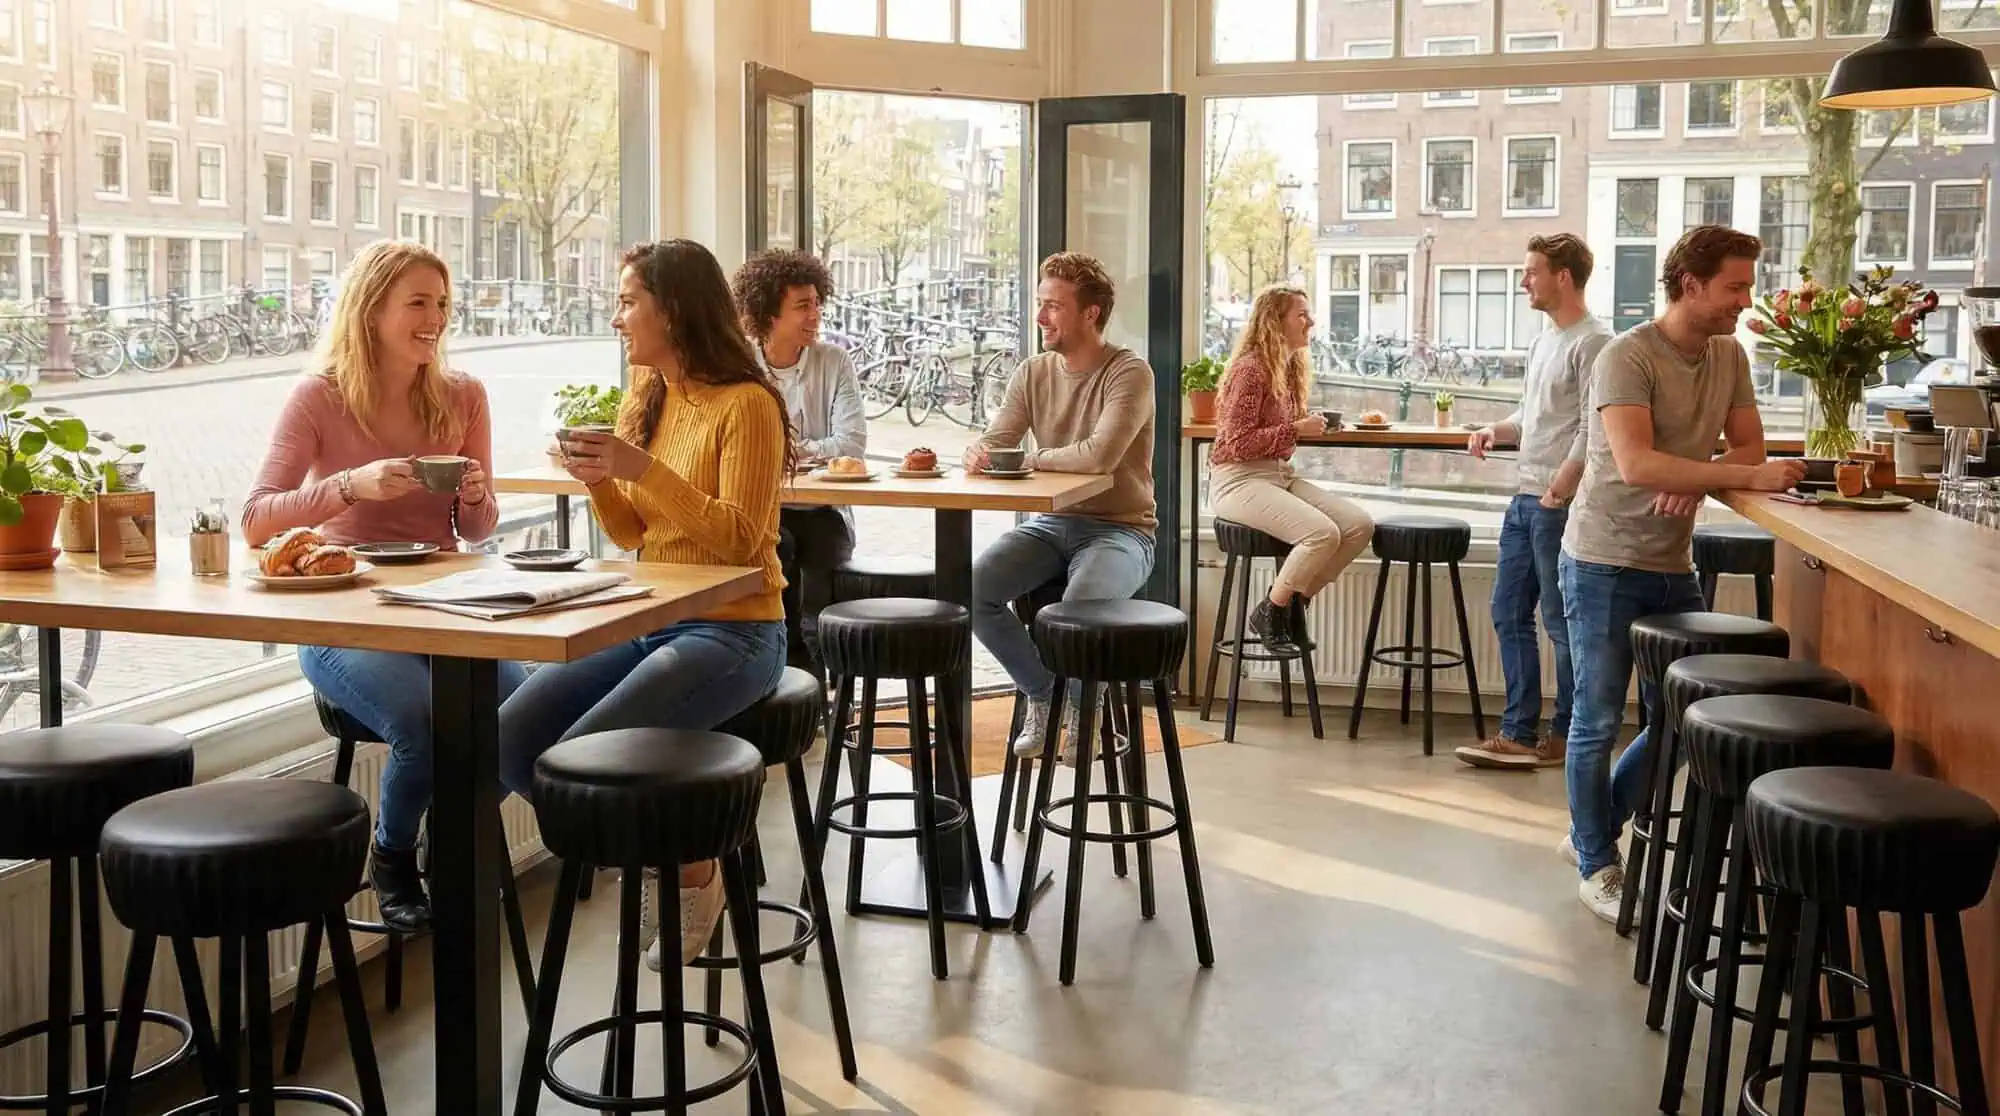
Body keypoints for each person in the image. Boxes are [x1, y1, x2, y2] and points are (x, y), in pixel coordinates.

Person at [498, 239, 791, 970]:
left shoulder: (747, 405)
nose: (618, 316)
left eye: (629, 301)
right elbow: (633, 534)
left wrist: (642, 468)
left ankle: (691, 870)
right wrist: (598, 477)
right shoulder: (647, 398)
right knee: (506, 741)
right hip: (653, 621)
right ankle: (669, 850)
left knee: (579, 764)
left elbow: (740, 541)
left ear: (676, 310)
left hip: (737, 632)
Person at [243, 239, 521, 933]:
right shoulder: (319, 397)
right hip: (345, 615)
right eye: (418, 303)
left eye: (443, 304)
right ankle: (393, 855)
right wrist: (347, 488)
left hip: (444, 604)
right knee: (426, 726)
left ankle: (447, 838)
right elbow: (254, 519)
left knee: (524, 720)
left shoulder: (463, 396)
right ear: (371, 311)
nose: (435, 318)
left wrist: (476, 496)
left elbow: (480, 533)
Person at [1559, 225, 1805, 922]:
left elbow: (1748, 444)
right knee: (1597, 718)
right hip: (1603, 558)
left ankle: (1591, 823)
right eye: (1734, 286)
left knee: (1679, 718)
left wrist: (1695, 480)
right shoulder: (1624, 356)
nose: (1744, 300)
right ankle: (1597, 863)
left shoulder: (1729, 354)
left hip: (1672, 559)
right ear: (1690, 283)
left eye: (1747, 286)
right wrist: (1721, 472)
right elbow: (1639, 466)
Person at [965, 252, 1156, 757]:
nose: (1041, 316)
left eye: (1053, 306)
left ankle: (1083, 711)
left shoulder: (1129, 372)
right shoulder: (1033, 372)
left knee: (1076, 609)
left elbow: (1100, 456)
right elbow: (998, 441)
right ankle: (1045, 696)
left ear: (1090, 313)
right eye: (1040, 304)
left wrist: (1026, 458)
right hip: (1051, 525)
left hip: (1121, 529)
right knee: (972, 589)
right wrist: (981, 451)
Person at [1456, 235, 1612, 772]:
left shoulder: (1594, 343)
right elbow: (1530, 419)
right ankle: (1518, 733)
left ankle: (1564, 734)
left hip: (1556, 503)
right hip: (1524, 499)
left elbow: (1594, 429)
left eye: (1532, 272)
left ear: (1563, 276)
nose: (1525, 281)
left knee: (1559, 622)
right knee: (1506, 611)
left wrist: (1559, 489)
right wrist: (1491, 430)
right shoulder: (1545, 341)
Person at [1207, 285, 1373, 654]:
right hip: (1237, 480)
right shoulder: (1250, 369)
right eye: (1301, 314)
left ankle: (1293, 604)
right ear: (1275, 322)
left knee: (1358, 525)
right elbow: (1237, 443)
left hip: (1277, 475)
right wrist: (1295, 429)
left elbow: (1276, 431)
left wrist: (1310, 424)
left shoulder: (1287, 367)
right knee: (1321, 533)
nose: (1311, 321)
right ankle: (1272, 610)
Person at [731, 249, 865, 675]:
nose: (816, 315)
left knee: (820, 592)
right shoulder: (740, 366)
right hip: (762, 511)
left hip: (823, 510)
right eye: (803, 306)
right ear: (768, 313)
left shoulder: (834, 361)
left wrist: (788, 448)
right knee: (776, 554)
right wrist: (811, 448)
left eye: (817, 303)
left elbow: (851, 444)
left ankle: (824, 695)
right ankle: (786, 689)